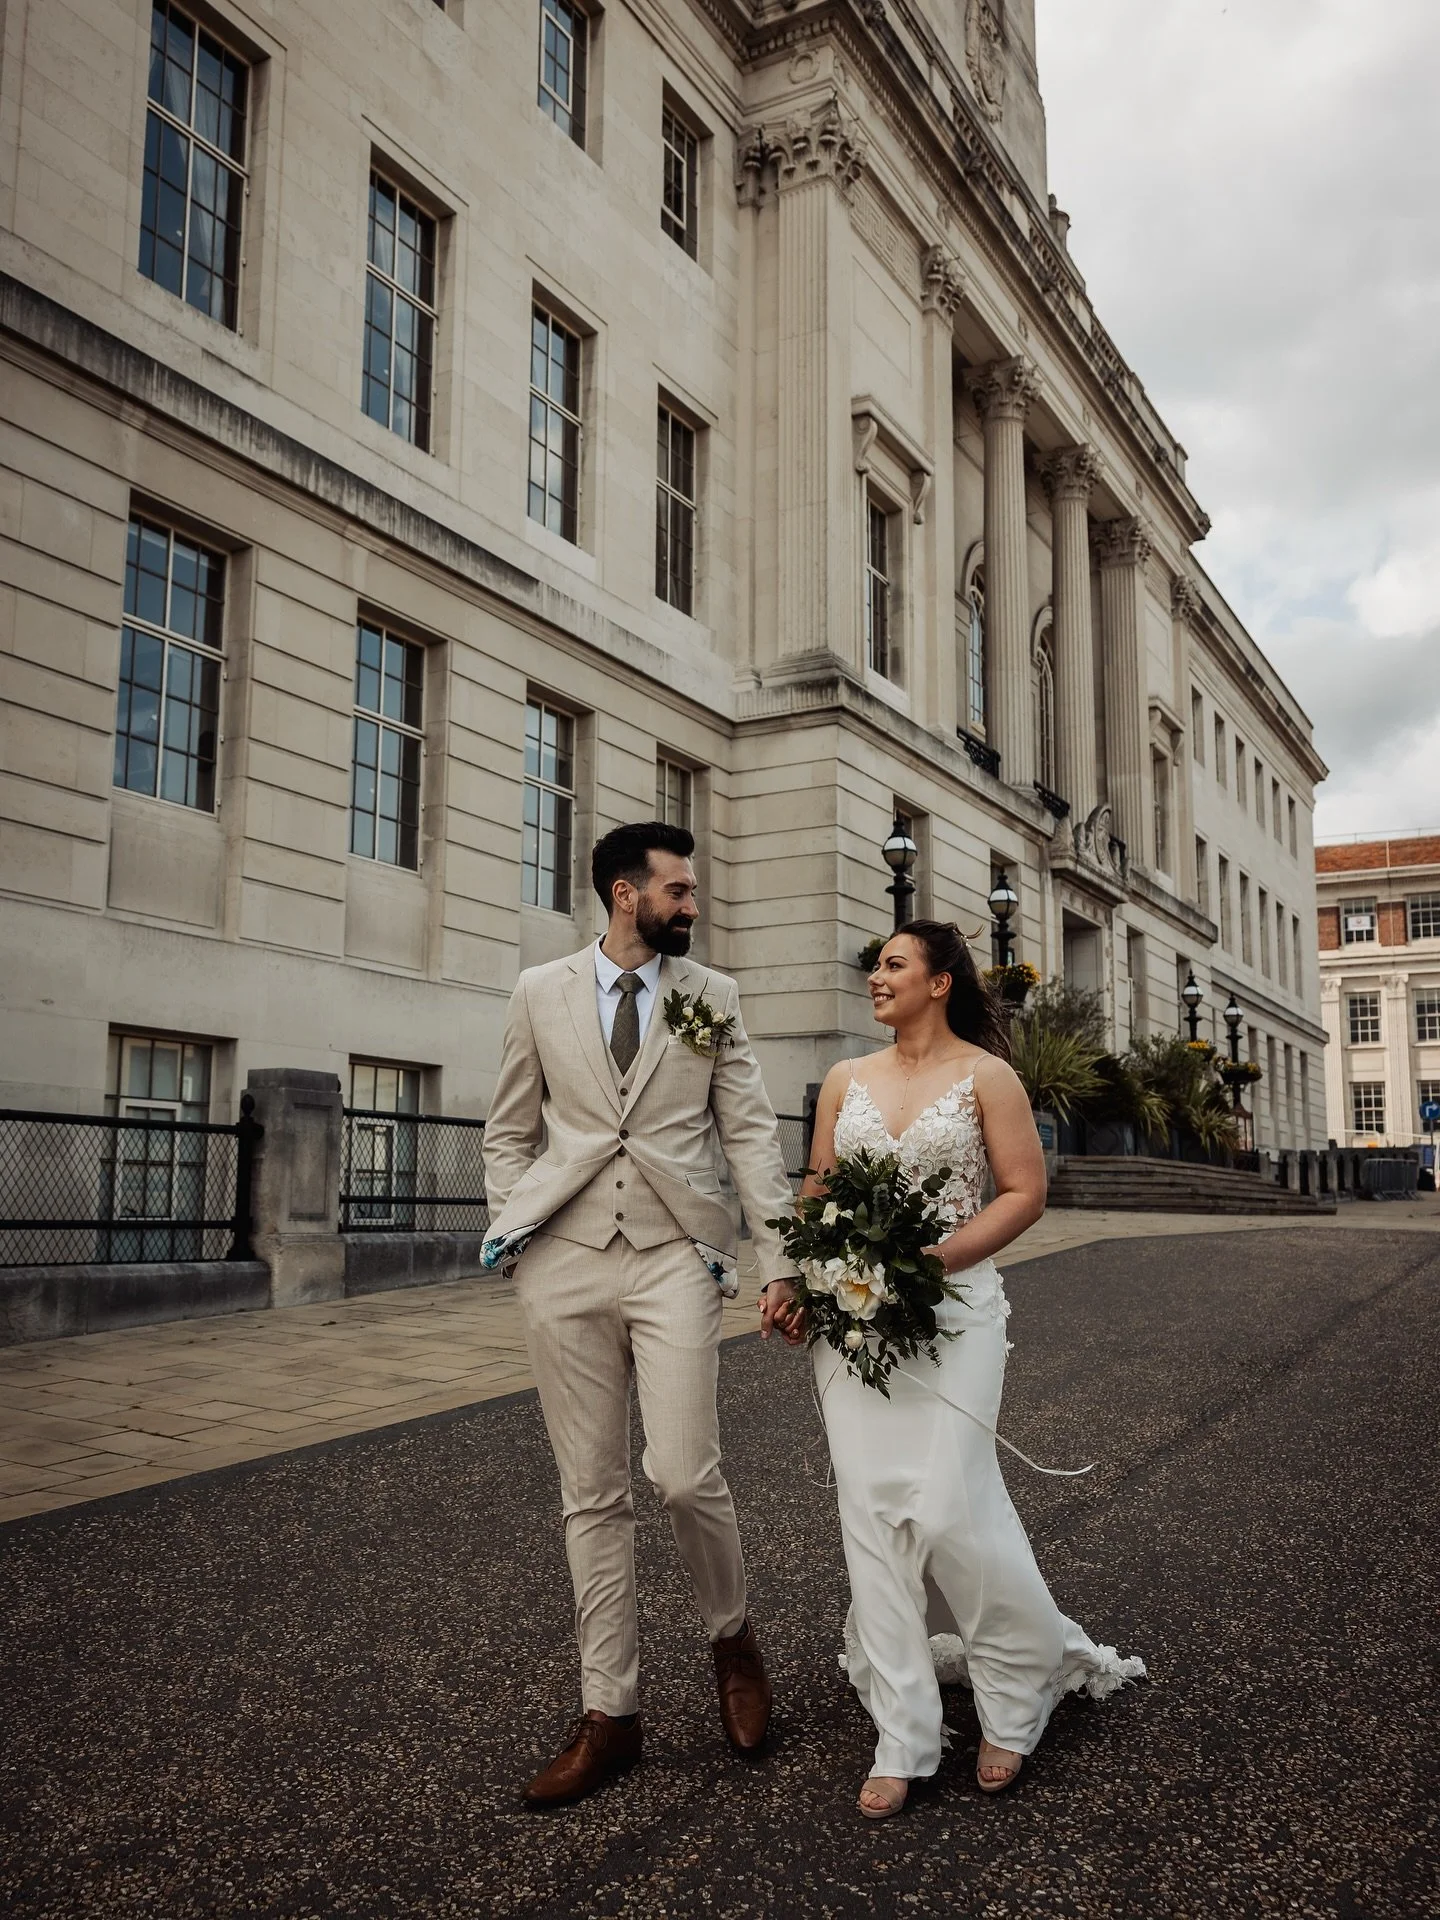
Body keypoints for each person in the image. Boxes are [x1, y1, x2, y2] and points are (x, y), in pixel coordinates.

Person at [482, 821, 800, 1809]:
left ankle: (732, 1642)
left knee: (681, 1472)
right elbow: (509, 1128)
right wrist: (519, 1235)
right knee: (591, 1494)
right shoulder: (542, 991)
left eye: (692, 891)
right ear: (626, 894)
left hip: (674, 1255)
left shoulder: (713, 999)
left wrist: (778, 1259)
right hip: (565, 1264)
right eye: (679, 891)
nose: (692, 906)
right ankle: (609, 1715)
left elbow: (746, 1130)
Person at [796, 920, 1145, 1819]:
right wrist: (808, 1276)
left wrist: (932, 1263)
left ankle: (1015, 1691)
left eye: (895, 964)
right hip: (858, 1319)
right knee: (872, 1517)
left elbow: (1025, 1192)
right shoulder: (845, 1080)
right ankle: (902, 1732)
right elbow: (819, 1191)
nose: (877, 976)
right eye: (874, 963)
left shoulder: (988, 1076)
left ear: (941, 980)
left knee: (951, 1505)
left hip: (955, 1315)